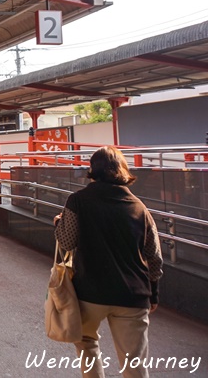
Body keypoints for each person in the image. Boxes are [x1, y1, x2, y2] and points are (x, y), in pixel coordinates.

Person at [54, 147, 163, 378]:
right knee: (134, 361)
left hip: (90, 293)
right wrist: (153, 293)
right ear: (122, 170)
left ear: (92, 170)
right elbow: (154, 257)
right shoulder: (140, 208)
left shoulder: (78, 201)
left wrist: (58, 224)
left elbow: (67, 241)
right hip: (132, 295)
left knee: (86, 343)